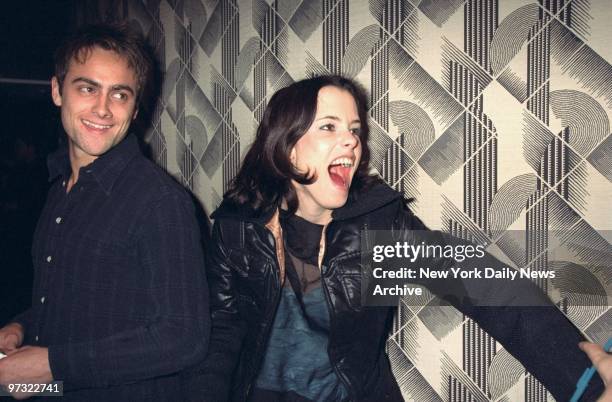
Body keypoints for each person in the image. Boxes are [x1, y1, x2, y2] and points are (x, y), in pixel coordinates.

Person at [192, 75, 610, 402]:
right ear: (288, 149)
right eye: (329, 126)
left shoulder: (378, 226)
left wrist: (586, 381)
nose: (351, 140)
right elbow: (222, 334)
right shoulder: (236, 229)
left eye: (355, 129)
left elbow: (488, 289)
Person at [0, 23, 209, 401]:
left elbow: (184, 338)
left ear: (134, 107)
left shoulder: (160, 202)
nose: (102, 109)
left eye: (120, 95)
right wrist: (20, 326)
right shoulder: (59, 187)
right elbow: (76, 297)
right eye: (87, 88)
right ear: (56, 91)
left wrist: (52, 365)